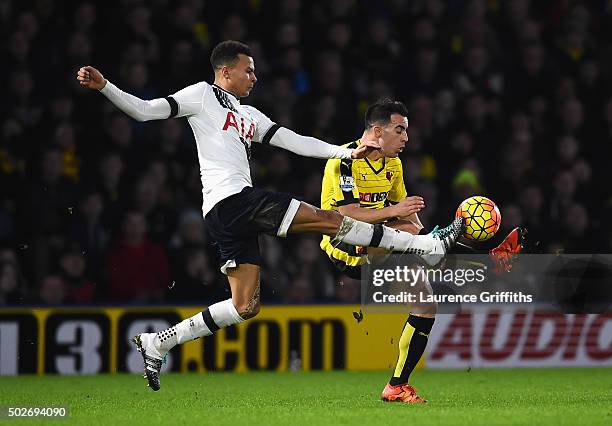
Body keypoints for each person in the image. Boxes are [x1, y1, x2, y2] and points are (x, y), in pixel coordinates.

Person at [76, 40, 465, 391]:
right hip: (232, 200)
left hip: (227, 213)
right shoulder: (200, 96)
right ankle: (426, 244)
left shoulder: (249, 114)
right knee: (331, 220)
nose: (254, 77)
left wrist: (344, 152)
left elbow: (295, 142)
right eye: (248, 70)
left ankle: (159, 341)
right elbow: (145, 112)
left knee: (245, 306)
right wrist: (105, 86)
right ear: (225, 71)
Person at [319, 99, 525, 403]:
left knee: (425, 306)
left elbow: (408, 217)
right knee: (410, 234)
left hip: (384, 241)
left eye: (406, 131)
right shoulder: (345, 160)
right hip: (344, 245)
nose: (406, 138)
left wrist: (424, 236)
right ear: (377, 131)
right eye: (399, 130)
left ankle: (396, 386)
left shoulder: (393, 164)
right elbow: (345, 214)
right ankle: (483, 258)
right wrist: (410, 225)